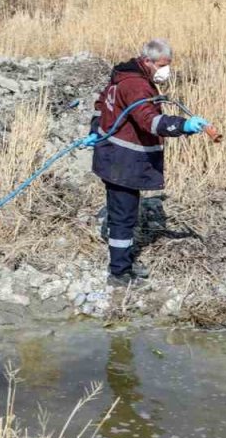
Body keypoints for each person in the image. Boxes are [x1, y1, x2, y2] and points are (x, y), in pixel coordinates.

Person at [86, 39, 209, 287]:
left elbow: (101, 106)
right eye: (162, 65)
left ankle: (125, 262)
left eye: (169, 65)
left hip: (115, 157)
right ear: (147, 61)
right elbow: (150, 122)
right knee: (123, 217)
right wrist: (182, 125)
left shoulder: (123, 77)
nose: (166, 70)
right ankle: (119, 273)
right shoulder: (136, 85)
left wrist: (96, 130)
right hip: (122, 161)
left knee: (126, 214)